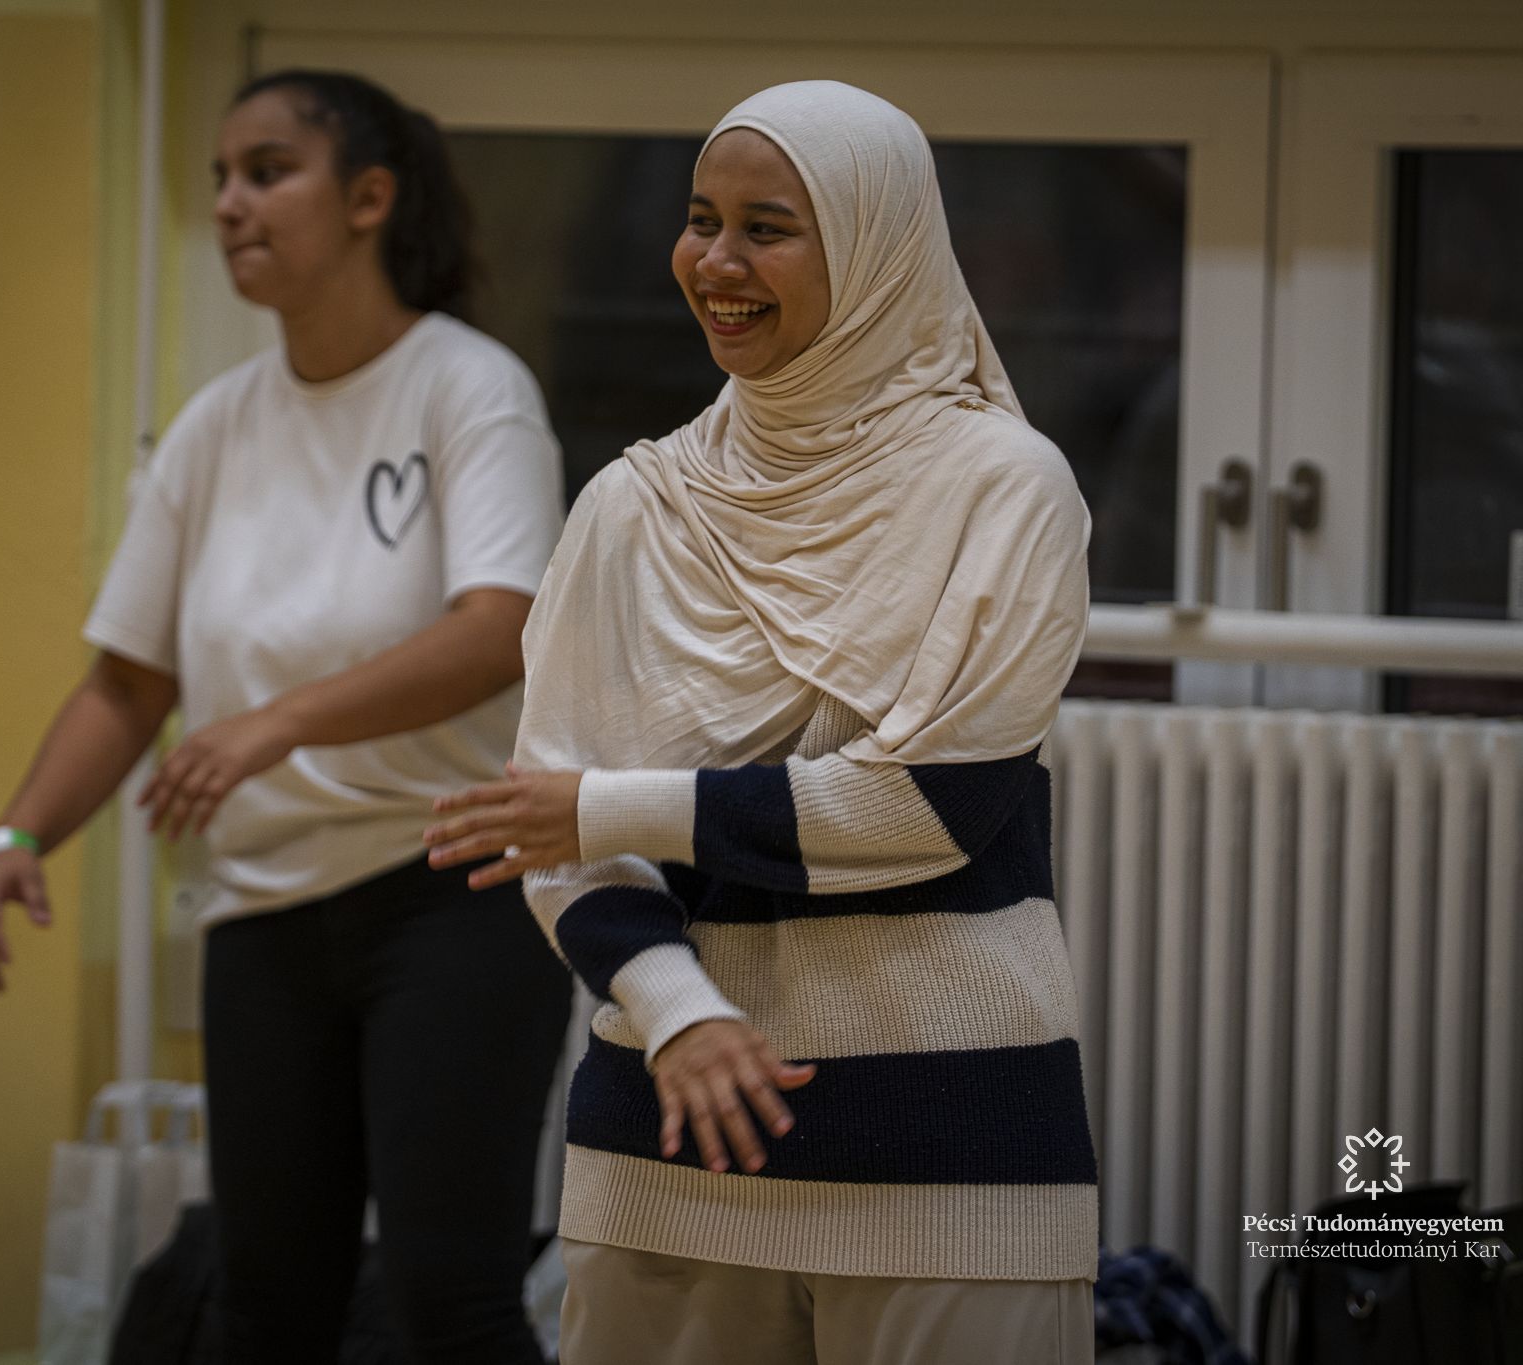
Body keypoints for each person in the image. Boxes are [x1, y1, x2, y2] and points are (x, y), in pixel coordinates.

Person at [423, 81, 1097, 1364]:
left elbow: (927, 808)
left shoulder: (1003, 486)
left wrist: (604, 807)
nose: (715, 263)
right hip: (667, 1137)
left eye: (767, 228)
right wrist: (676, 1011)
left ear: (877, 245)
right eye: (699, 219)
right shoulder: (634, 505)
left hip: (947, 1152)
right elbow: (559, 846)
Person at [0, 69, 571, 1365]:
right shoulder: (213, 428)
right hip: (263, 917)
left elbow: (499, 627)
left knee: (447, 1307)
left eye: (267, 171)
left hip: (450, 893)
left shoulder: (468, 388)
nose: (231, 204)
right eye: (220, 180)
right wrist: (15, 838)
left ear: (368, 198)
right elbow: (126, 684)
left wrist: (276, 722)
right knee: (264, 1310)